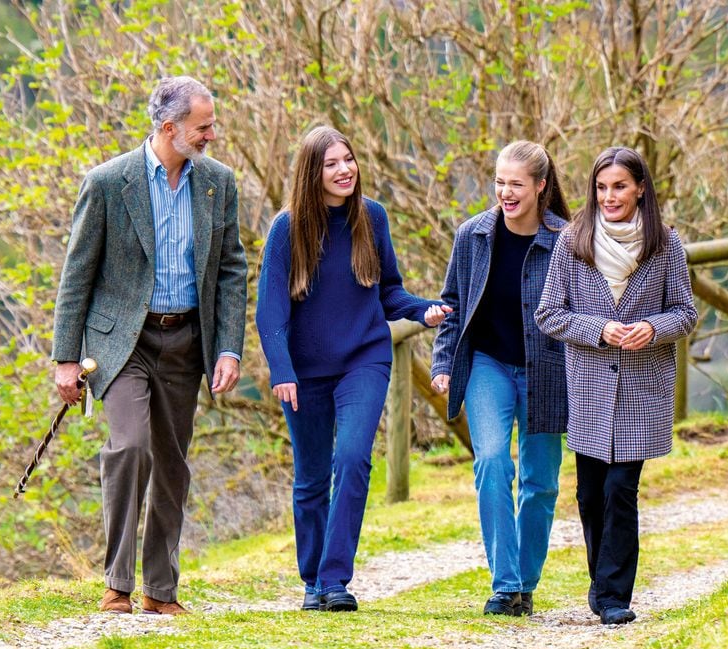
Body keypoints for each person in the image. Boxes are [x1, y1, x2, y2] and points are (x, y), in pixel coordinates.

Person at [52, 76, 247, 615]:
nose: (212, 135)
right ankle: (118, 583)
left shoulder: (218, 183)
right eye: (203, 126)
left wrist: (229, 348)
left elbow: (232, 270)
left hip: (186, 340)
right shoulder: (109, 183)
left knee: (172, 463)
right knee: (130, 447)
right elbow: (76, 276)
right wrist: (66, 358)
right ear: (169, 127)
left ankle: (161, 591)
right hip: (122, 344)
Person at [256, 125, 450, 613]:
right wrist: (281, 370)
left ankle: (334, 578)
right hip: (303, 371)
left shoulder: (373, 218)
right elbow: (270, 310)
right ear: (311, 172)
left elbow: (389, 291)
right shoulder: (287, 228)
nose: (344, 170)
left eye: (349, 160)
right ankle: (311, 580)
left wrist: (421, 310)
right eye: (331, 163)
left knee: (354, 458)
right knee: (311, 477)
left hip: (364, 358)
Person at [535, 146, 697, 625]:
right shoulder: (572, 242)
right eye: (602, 187)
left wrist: (652, 327)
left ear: (640, 188)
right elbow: (549, 314)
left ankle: (613, 596)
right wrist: (599, 330)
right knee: (590, 494)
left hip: (643, 388)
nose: (610, 196)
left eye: (620, 186)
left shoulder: (667, 245)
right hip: (588, 389)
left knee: (622, 490)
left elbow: (685, 313)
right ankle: (600, 583)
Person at [430, 141, 569, 616]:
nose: (506, 193)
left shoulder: (566, 241)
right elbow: (452, 306)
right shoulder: (473, 235)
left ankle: (526, 583)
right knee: (491, 461)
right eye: (499, 183)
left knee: (541, 482)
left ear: (540, 187)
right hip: (487, 365)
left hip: (549, 370)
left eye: (516, 184)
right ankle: (505, 585)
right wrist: (444, 364)